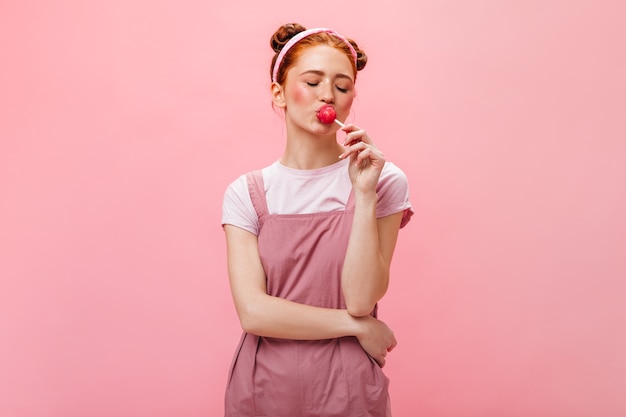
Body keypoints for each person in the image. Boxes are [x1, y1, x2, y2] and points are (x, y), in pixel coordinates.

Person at [221, 23, 413, 417]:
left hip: (350, 391)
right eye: (312, 82)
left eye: (342, 88)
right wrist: (358, 327)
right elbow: (254, 312)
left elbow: (362, 299)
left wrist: (363, 193)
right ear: (279, 94)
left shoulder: (384, 181)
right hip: (263, 388)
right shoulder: (246, 193)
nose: (328, 95)